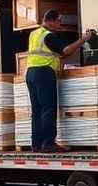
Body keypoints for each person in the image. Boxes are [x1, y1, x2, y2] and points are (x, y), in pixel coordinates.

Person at [26, 9, 93, 153]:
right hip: (44, 73)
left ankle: (36, 144)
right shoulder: (48, 36)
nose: (60, 25)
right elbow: (66, 51)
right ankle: (49, 143)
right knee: (48, 108)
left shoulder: (34, 34)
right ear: (51, 20)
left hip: (31, 73)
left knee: (37, 110)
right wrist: (84, 39)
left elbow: (51, 53)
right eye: (59, 21)